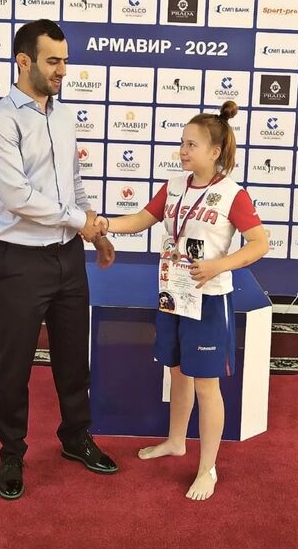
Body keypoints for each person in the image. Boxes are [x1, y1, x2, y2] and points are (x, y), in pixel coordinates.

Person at [95, 101, 268, 501]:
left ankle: (208, 469)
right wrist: (105, 224)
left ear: (215, 151)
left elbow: (260, 243)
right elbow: (142, 219)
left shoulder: (232, 194)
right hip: (173, 295)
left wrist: (219, 265)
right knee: (176, 373)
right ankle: (176, 441)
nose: (183, 151)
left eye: (192, 144)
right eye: (182, 143)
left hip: (209, 301)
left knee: (207, 385)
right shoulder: (174, 186)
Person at [0, 19, 117, 501]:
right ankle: (11, 452)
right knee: (13, 364)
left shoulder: (64, 117)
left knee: (74, 357)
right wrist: (80, 221)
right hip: (20, 261)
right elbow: (18, 197)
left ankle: (76, 437)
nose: (62, 70)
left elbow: (71, 183)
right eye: (53, 61)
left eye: (65, 61)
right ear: (24, 61)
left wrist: (93, 232)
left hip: (68, 256)